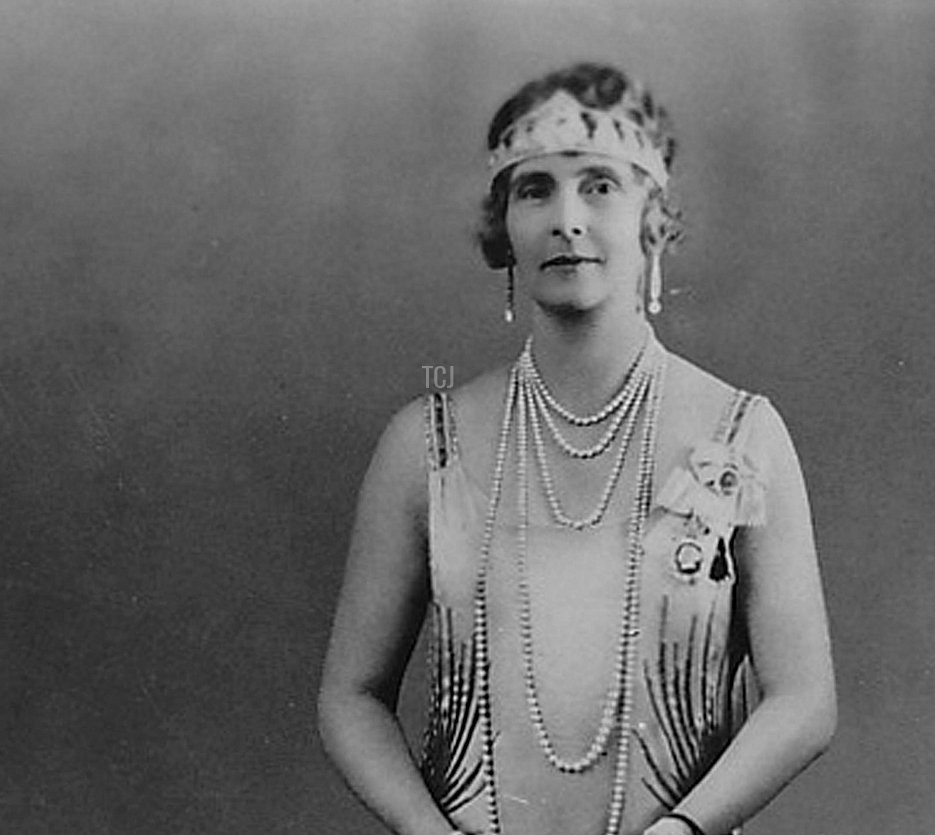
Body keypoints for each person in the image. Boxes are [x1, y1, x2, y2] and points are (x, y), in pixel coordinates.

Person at [318, 62, 836, 835]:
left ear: (652, 221)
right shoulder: (426, 444)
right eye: (536, 189)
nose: (567, 218)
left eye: (600, 185)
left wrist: (682, 833)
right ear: (505, 227)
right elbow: (350, 695)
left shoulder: (741, 433)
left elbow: (804, 698)